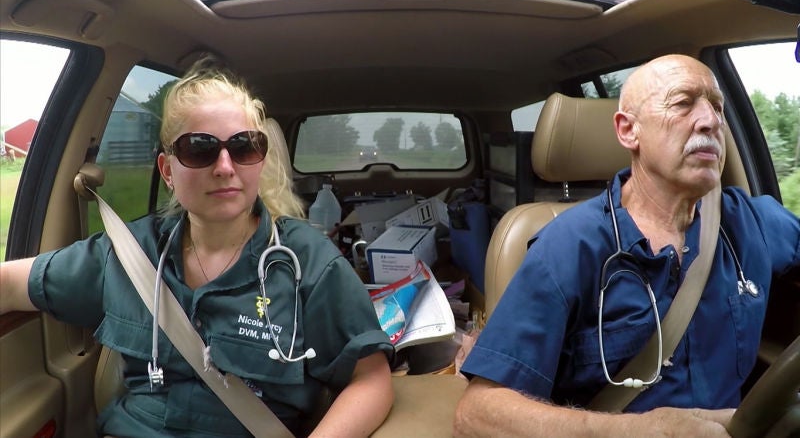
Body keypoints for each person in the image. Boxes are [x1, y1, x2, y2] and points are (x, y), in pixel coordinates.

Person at [0, 57, 394, 437]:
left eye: (244, 147)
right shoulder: (128, 253)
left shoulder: (308, 262)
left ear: (259, 161)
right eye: (199, 148)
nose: (224, 167)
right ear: (167, 170)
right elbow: (11, 284)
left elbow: (371, 379)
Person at [454, 54, 800, 437]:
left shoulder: (754, 221)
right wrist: (639, 431)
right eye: (683, 103)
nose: (711, 120)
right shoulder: (568, 245)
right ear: (628, 131)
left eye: (717, 107)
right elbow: (477, 414)